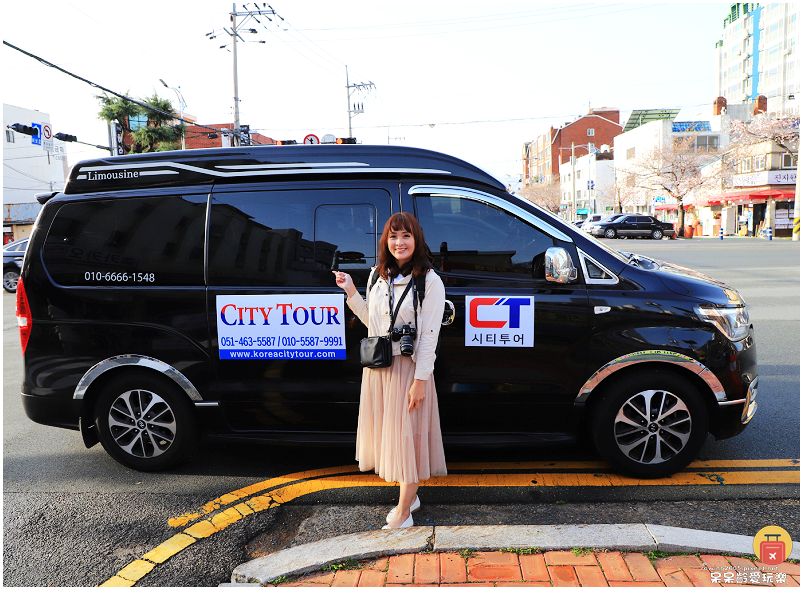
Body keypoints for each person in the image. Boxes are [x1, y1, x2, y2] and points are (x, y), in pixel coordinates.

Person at [333, 212, 447, 529]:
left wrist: (420, 381)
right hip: (380, 370)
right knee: (392, 437)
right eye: (393, 236)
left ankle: (403, 512)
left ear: (416, 240)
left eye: (406, 236)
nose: (399, 242)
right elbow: (374, 323)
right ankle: (411, 495)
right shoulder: (378, 276)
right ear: (385, 241)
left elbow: (428, 338)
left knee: (408, 437)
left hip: (410, 371)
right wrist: (352, 292)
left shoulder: (430, 281)